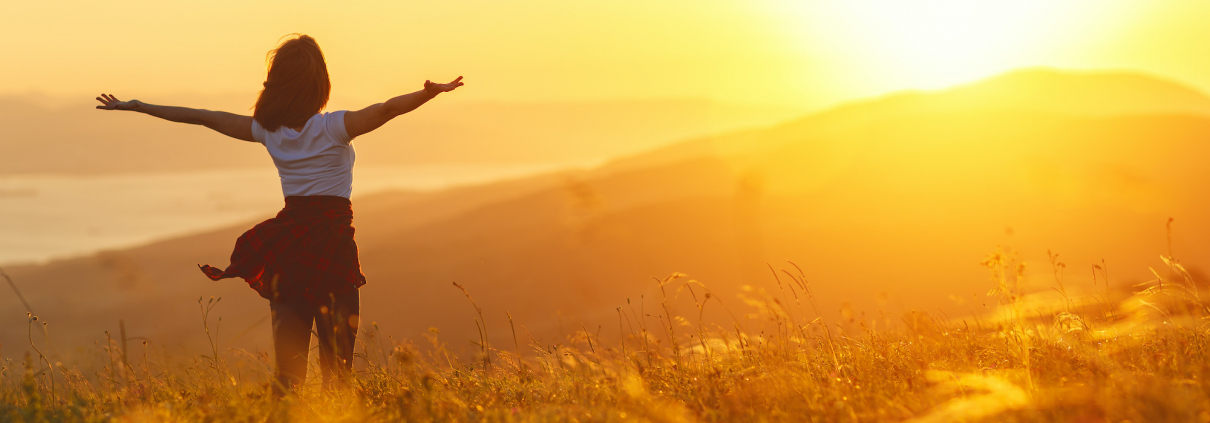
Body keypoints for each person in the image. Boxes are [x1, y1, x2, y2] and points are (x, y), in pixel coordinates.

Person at [95, 34, 464, 396]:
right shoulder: (334, 127)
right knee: (338, 376)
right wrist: (428, 93)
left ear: (277, 84)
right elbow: (387, 108)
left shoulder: (267, 131)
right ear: (319, 84)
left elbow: (203, 116)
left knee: (288, 377)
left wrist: (139, 106)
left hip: (288, 250)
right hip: (333, 251)